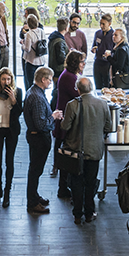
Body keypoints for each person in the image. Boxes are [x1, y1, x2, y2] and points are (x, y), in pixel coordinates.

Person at [61, 77, 115, 224]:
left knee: (76, 183)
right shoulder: (103, 104)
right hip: (95, 150)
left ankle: (77, 214)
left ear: (77, 89)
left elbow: (65, 127)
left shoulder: (72, 105)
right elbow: (108, 127)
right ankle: (90, 213)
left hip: (76, 151)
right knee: (90, 183)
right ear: (91, 88)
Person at [25, 67, 61, 215]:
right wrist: (54, 116)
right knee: (35, 171)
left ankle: (34, 196)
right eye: (49, 79)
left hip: (35, 137)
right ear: (43, 79)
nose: (50, 82)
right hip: (39, 139)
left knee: (35, 170)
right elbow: (41, 125)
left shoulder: (33, 92)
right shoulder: (38, 98)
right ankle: (32, 203)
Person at [0, 68, 23, 208]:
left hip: (11, 130)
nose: (6, 82)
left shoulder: (18, 92)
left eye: (8, 79)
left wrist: (14, 101)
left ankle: (7, 192)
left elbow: (20, 112)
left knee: (9, 161)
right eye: (3, 79)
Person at [53, 50, 85, 191]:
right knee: (64, 150)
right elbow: (79, 94)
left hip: (65, 114)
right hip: (65, 117)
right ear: (75, 63)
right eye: (81, 61)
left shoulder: (70, 75)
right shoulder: (69, 77)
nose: (83, 64)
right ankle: (63, 185)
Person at [21, 14, 48, 90]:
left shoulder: (29, 34)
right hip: (41, 61)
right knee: (40, 83)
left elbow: (27, 49)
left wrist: (22, 44)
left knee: (30, 84)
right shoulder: (42, 31)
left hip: (31, 61)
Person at [92, 13, 116, 90]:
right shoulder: (97, 33)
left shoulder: (114, 35)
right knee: (97, 85)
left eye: (103, 24)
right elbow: (94, 45)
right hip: (97, 62)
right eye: (100, 24)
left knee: (107, 86)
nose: (101, 26)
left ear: (109, 24)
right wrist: (93, 49)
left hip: (107, 64)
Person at [47, 17, 70, 81]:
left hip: (53, 69)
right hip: (59, 71)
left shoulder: (52, 38)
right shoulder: (60, 41)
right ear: (66, 28)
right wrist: (69, 55)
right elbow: (61, 58)